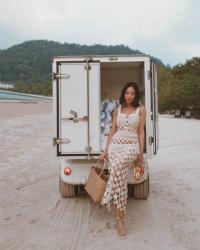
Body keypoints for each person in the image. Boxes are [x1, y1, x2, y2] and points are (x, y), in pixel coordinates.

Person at [100, 81, 146, 236]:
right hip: (115, 146)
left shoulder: (141, 110)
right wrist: (106, 150)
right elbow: (112, 130)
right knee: (119, 175)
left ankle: (108, 196)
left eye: (132, 93)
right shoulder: (117, 110)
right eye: (127, 93)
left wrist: (140, 151)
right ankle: (120, 218)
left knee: (118, 167)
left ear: (136, 95)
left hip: (132, 146)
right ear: (123, 93)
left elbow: (141, 132)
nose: (129, 96)